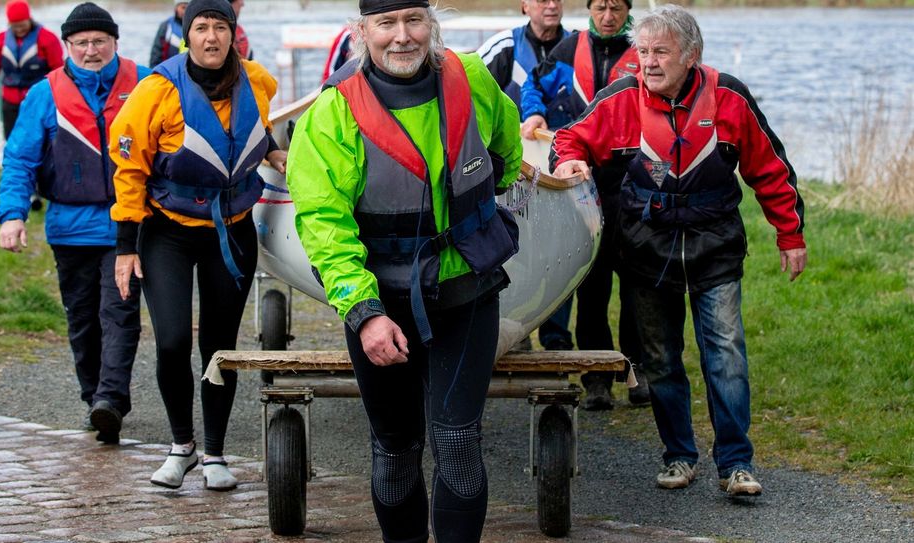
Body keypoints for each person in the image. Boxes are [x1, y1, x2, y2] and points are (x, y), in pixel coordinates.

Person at [287, 1, 522, 540]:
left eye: (414, 21)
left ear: (431, 24)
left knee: (458, 442)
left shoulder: (475, 80)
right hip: (382, 302)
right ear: (362, 31)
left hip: (467, 288)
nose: (402, 37)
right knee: (396, 449)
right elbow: (324, 227)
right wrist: (365, 314)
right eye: (386, 24)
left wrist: (472, 199)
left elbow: (505, 153)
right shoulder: (332, 115)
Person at [551, 4, 807, 497]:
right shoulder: (622, 98)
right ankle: (678, 456)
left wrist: (790, 235)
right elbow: (569, 138)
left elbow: (770, 168)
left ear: (691, 55)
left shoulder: (729, 97)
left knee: (725, 356)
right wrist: (568, 164)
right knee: (661, 359)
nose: (647, 62)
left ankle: (736, 463)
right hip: (648, 249)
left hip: (716, 246)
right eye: (642, 51)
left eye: (660, 52)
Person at [110, 0, 285, 491]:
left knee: (218, 347)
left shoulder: (259, 81)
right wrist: (126, 245)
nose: (211, 37)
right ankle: (180, 446)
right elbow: (129, 169)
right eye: (201, 28)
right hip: (167, 231)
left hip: (232, 230)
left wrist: (273, 151)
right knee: (171, 340)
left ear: (234, 33)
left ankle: (214, 453)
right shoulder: (156, 90)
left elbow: (255, 128)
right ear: (188, 34)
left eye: (220, 28)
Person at [0, 2, 149, 445]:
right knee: (82, 319)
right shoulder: (45, 94)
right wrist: (12, 215)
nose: (90, 50)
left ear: (115, 42)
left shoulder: (142, 83)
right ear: (66, 46)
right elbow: (19, 160)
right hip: (68, 226)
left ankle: (111, 399)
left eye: (99, 41)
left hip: (126, 227)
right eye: (80, 43)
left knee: (119, 311)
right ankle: (94, 399)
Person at [523, 0, 644, 410]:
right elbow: (531, 86)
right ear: (589, 9)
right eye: (599, 7)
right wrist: (535, 113)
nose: (607, 17)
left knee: (637, 286)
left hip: (634, 185)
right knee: (592, 287)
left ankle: (636, 369)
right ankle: (597, 379)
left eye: (616, 8)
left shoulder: (644, 51)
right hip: (583, 183)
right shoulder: (567, 49)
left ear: (628, 10)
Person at [0, 0, 64, 140]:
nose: (19, 29)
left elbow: (58, 71)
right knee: (12, 142)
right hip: (10, 103)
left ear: (29, 19)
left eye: (22, 25)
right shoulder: (0, 40)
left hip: (39, 101)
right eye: (15, 26)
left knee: (40, 142)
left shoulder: (47, 39)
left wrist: (60, 99)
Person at [476, 0, 570, 116]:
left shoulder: (577, 46)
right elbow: (472, 92)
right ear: (525, 6)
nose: (553, 5)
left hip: (565, 132)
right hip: (519, 131)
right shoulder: (504, 46)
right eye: (543, 0)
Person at [150, 0, 188, 67]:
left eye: (188, 8)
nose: (185, 11)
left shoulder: (197, 26)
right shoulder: (166, 26)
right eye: (183, 7)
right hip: (168, 71)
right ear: (176, 8)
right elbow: (156, 54)